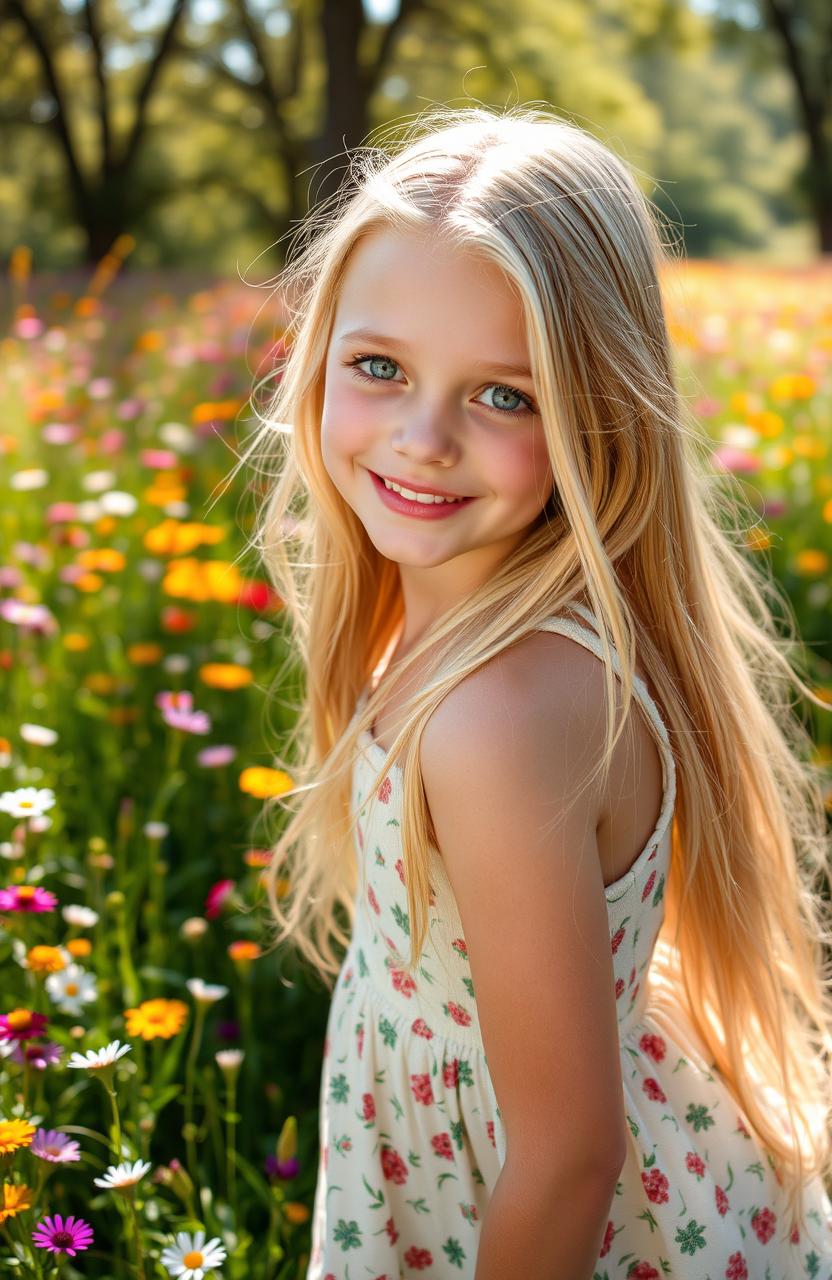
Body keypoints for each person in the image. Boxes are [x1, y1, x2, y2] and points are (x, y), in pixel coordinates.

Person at [241, 105, 832, 1278]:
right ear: (316, 358)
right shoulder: (459, 618)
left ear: (596, 411)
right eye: (378, 367)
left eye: (503, 395)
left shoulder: (497, 715)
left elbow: (565, 1154)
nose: (421, 437)